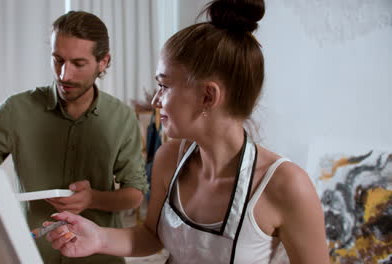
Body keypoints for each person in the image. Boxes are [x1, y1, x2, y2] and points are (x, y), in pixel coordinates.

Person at [44, 0, 331, 263]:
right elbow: (151, 236)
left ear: (208, 96)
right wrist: (98, 237)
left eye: (164, 86)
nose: (156, 100)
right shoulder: (169, 158)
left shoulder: (286, 186)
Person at [0, 11, 148, 264]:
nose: (64, 75)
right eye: (58, 60)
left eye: (78, 64)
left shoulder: (122, 117)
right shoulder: (16, 110)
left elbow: (135, 193)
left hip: (100, 258)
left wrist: (94, 198)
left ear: (103, 62)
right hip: (33, 256)